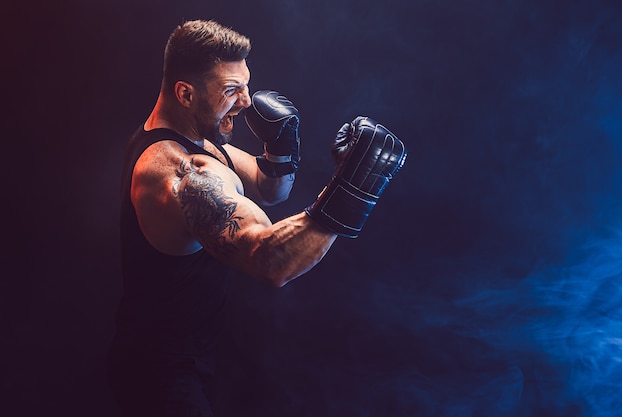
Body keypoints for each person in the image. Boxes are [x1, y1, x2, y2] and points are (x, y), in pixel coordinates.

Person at [106, 19, 407, 417]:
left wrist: (281, 150)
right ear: (185, 93)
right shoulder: (179, 172)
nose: (247, 101)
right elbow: (272, 261)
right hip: (159, 374)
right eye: (232, 90)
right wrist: (354, 187)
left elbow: (269, 188)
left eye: (246, 84)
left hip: (192, 356)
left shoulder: (195, 140)